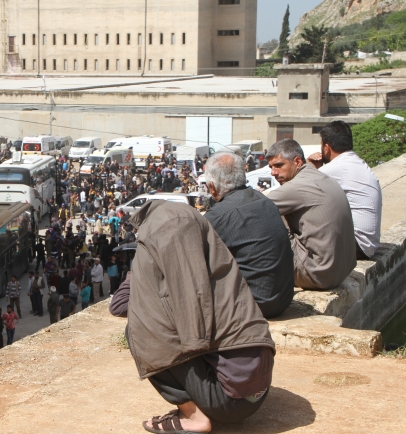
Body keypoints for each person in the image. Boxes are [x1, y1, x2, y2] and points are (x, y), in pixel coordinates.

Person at [110, 200, 275, 433]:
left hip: (229, 402)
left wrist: (139, 274)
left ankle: (195, 416)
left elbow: (120, 306)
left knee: (140, 329)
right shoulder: (218, 271)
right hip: (257, 394)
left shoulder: (169, 233)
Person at [204, 152, 294, 318]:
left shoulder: (219, 215)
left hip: (254, 305)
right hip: (282, 299)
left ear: (212, 186)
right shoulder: (263, 200)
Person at [266, 139, 357, 290]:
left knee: (266, 214)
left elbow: (253, 210)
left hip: (317, 274)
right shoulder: (321, 176)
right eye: (271, 167)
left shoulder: (295, 187)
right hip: (342, 271)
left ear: (297, 161)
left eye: (279, 165)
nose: (273, 172)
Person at [306, 120, 382, 259]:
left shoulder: (339, 166)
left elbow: (298, 187)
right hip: (368, 245)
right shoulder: (354, 162)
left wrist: (310, 164)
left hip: (357, 246)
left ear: (326, 148)